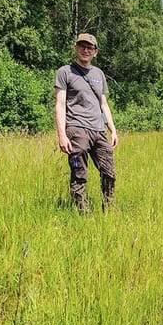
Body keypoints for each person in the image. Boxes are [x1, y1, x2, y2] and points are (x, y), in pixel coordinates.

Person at [54, 33, 118, 212]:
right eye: (82, 46)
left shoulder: (99, 74)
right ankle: (83, 214)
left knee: (109, 173)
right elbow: (59, 104)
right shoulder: (65, 72)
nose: (85, 50)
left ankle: (109, 210)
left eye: (90, 48)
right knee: (79, 175)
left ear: (95, 52)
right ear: (75, 48)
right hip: (76, 129)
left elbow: (103, 104)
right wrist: (62, 135)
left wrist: (112, 130)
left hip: (98, 130)